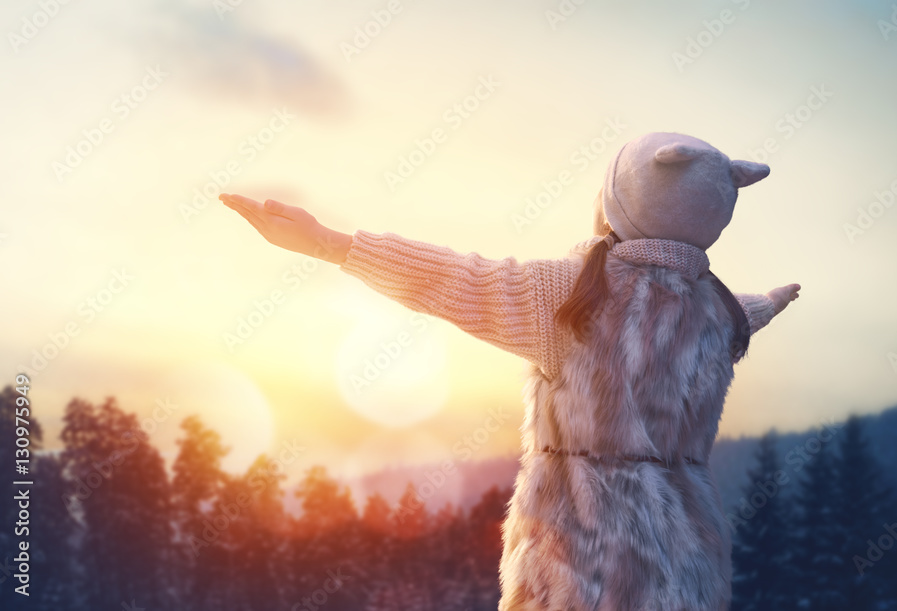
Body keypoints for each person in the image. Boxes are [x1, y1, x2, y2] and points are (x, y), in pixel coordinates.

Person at [220, 131, 800, 610]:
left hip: (582, 555)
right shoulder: (718, 316)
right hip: (688, 550)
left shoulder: (571, 296)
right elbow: (747, 316)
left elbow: (451, 279)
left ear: (620, 201)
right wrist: (770, 302)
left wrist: (326, 243)